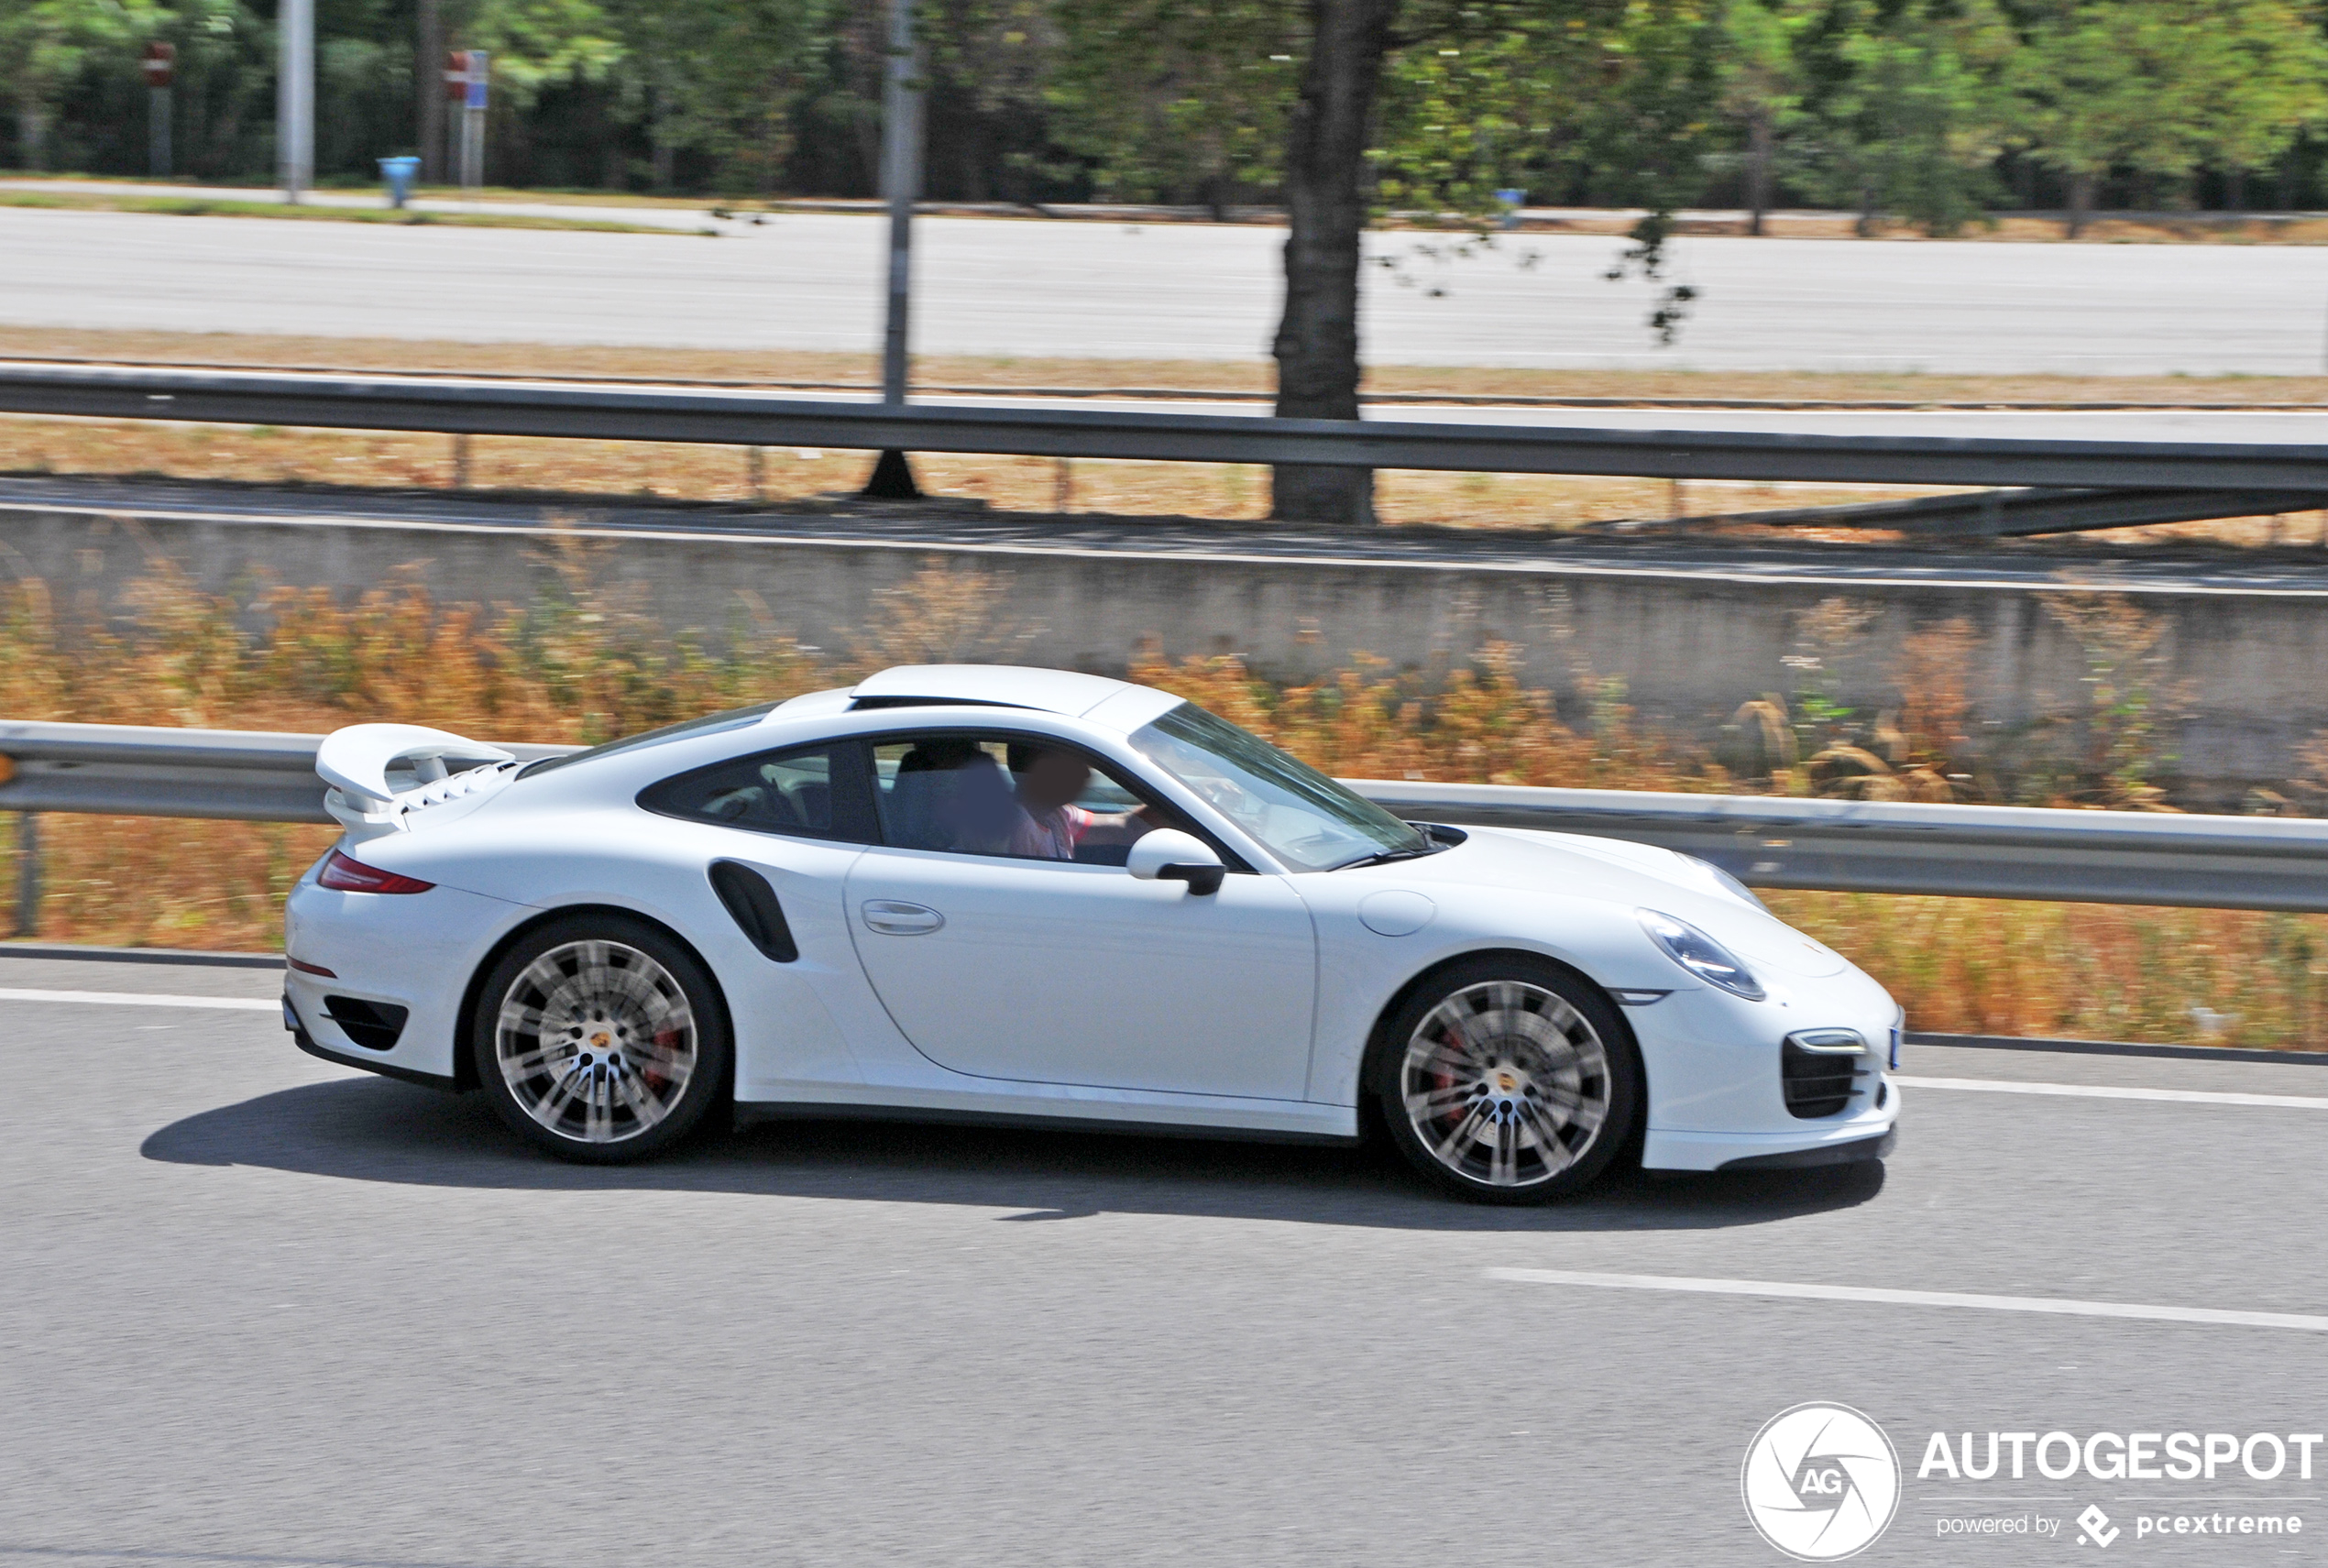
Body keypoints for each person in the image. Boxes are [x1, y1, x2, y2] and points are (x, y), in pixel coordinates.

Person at [1005, 742, 1162, 861]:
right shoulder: (1019, 826)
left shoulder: (1058, 815)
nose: (1086, 774)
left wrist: (1171, 803)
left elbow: (1128, 828)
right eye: (1078, 763)